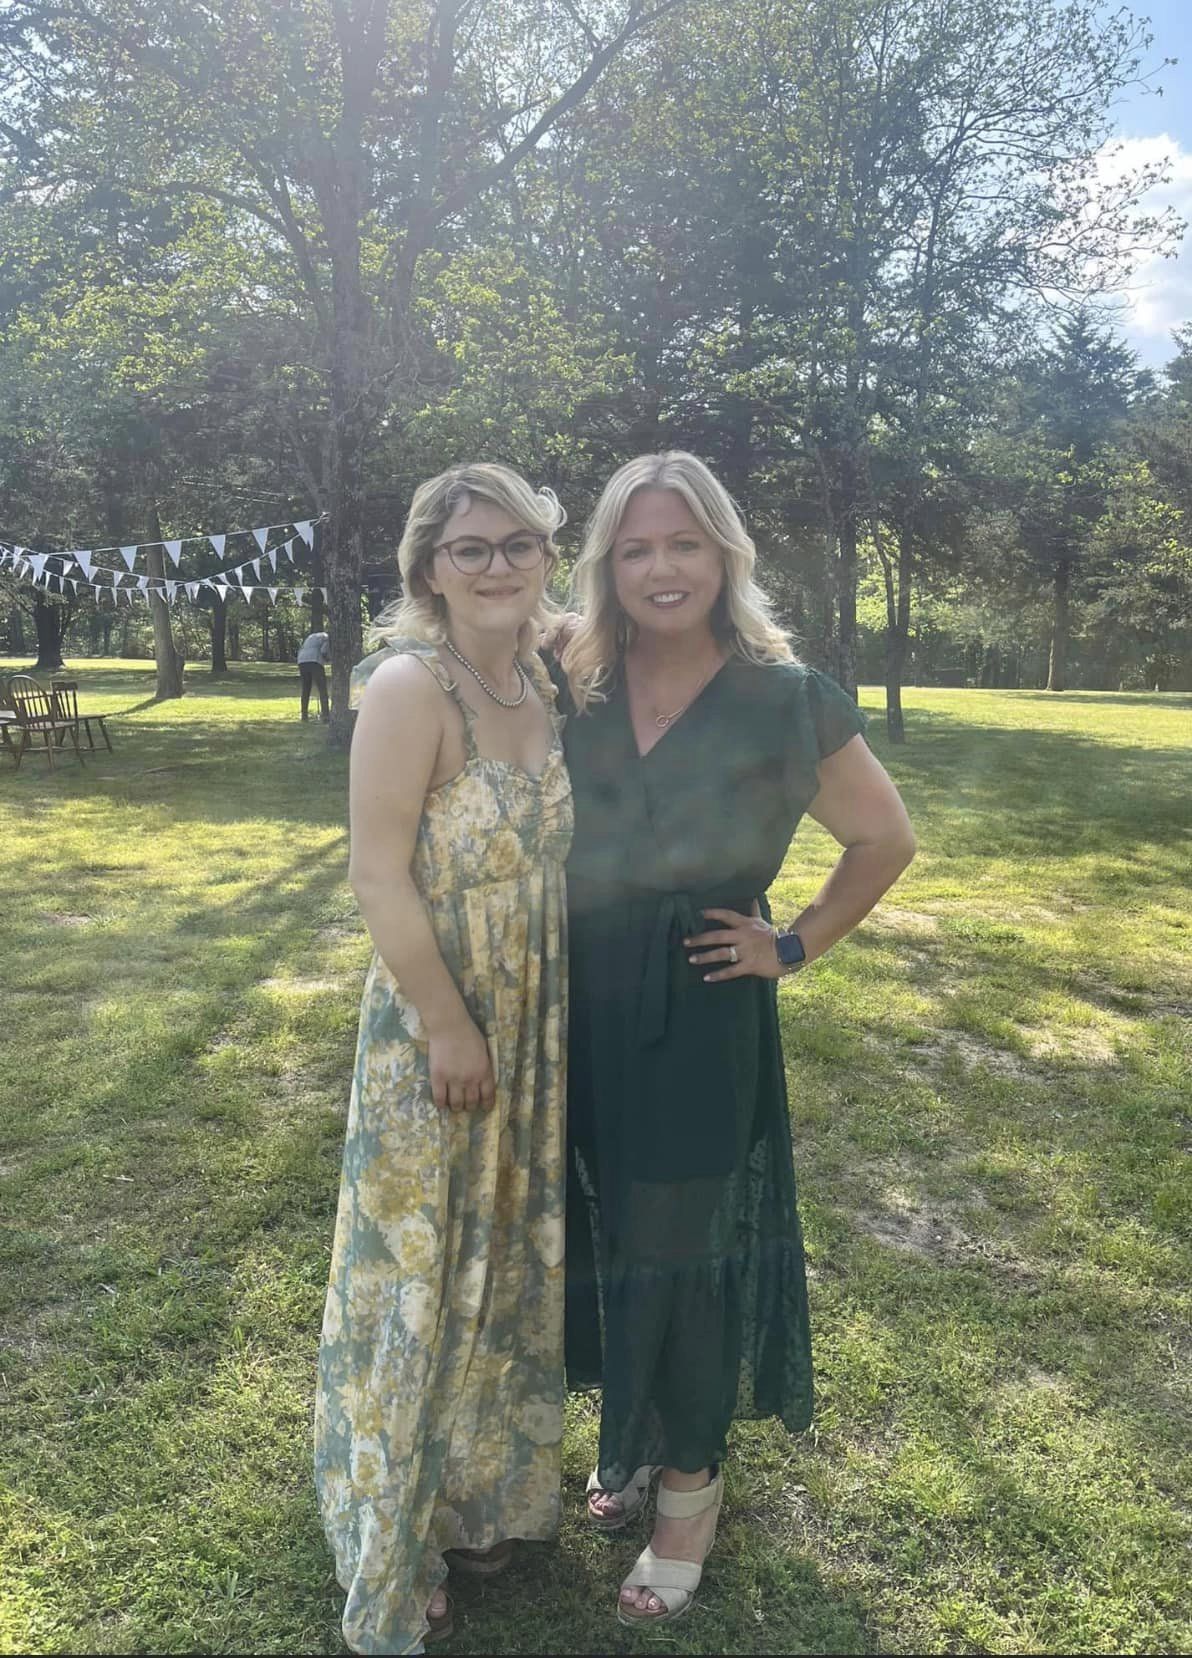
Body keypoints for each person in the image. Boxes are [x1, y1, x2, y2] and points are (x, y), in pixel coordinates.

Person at [556, 451, 916, 1626]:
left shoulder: (783, 695)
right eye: (636, 547)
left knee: (682, 1242)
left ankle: (689, 1491)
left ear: (724, 554)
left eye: (684, 544)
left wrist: (792, 943)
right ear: (608, 563)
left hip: (702, 1001)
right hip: (579, 997)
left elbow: (883, 838)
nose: (661, 568)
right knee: (609, 1224)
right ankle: (637, 1431)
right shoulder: (575, 681)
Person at [314, 464, 573, 1654]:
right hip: (442, 1015)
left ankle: (477, 1493)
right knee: (421, 1265)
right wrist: (445, 1019)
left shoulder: (547, 674)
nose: (496, 564)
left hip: (537, 1018)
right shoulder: (408, 686)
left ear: (545, 555)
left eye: (518, 543)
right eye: (471, 547)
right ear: (429, 566)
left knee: (502, 1253)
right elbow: (376, 871)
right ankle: (398, 1525)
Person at [297, 627, 331, 720]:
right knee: (322, 689)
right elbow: (324, 651)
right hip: (314, 660)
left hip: (301, 660)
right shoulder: (327, 637)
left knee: (306, 688)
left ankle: (304, 715)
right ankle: (326, 715)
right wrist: (328, 659)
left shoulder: (311, 636)